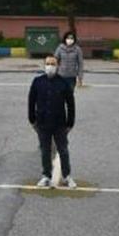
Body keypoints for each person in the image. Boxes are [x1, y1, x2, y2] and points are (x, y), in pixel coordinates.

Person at [28, 55, 76, 189]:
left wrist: (70, 123)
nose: (50, 66)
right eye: (48, 64)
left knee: (63, 150)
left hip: (59, 124)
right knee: (45, 150)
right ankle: (46, 176)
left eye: (53, 64)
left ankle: (67, 176)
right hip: (42, 123)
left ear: (57, 66)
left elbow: (70, 104)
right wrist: (32, 119)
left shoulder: (63, 83)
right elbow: (31, 101)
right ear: (44, 65)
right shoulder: (37, 82)